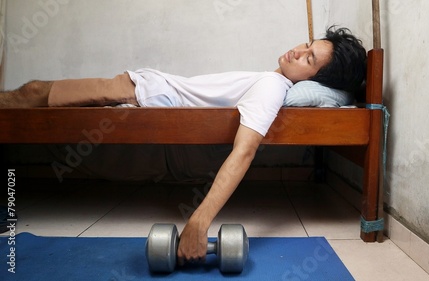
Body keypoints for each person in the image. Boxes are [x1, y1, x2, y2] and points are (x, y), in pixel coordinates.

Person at [0, 26, 366, 266]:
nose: (296, 51)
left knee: (32, 92)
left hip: (143, 90)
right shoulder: (271, 77)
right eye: (305, 46)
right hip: (146, 86)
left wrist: (199, 220)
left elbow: (244, 151)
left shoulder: (273, 89)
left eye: (308, 59)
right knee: (32, 93)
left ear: (317, 80)